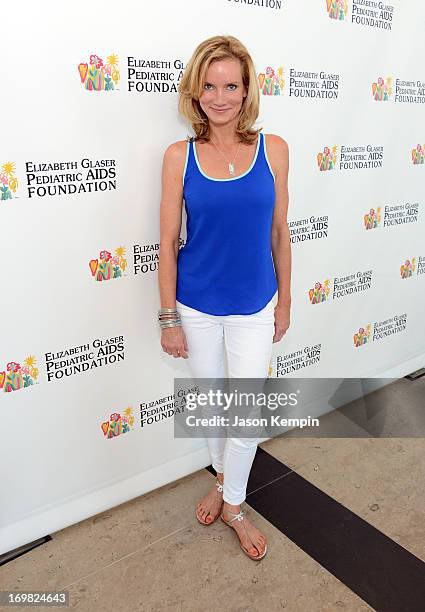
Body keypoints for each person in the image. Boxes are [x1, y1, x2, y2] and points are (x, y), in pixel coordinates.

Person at [158, 35, 291, 560]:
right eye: (209, 86)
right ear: (195, 91)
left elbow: (280, 233)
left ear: (246, 89)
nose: (220, 97)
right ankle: (224, 482)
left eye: (230, 85)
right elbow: (167, 243)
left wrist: (284, 303)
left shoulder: (274, 149)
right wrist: (169, 317)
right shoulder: (179, 156)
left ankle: (232, 501)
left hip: (256, 304)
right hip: (196, 307)